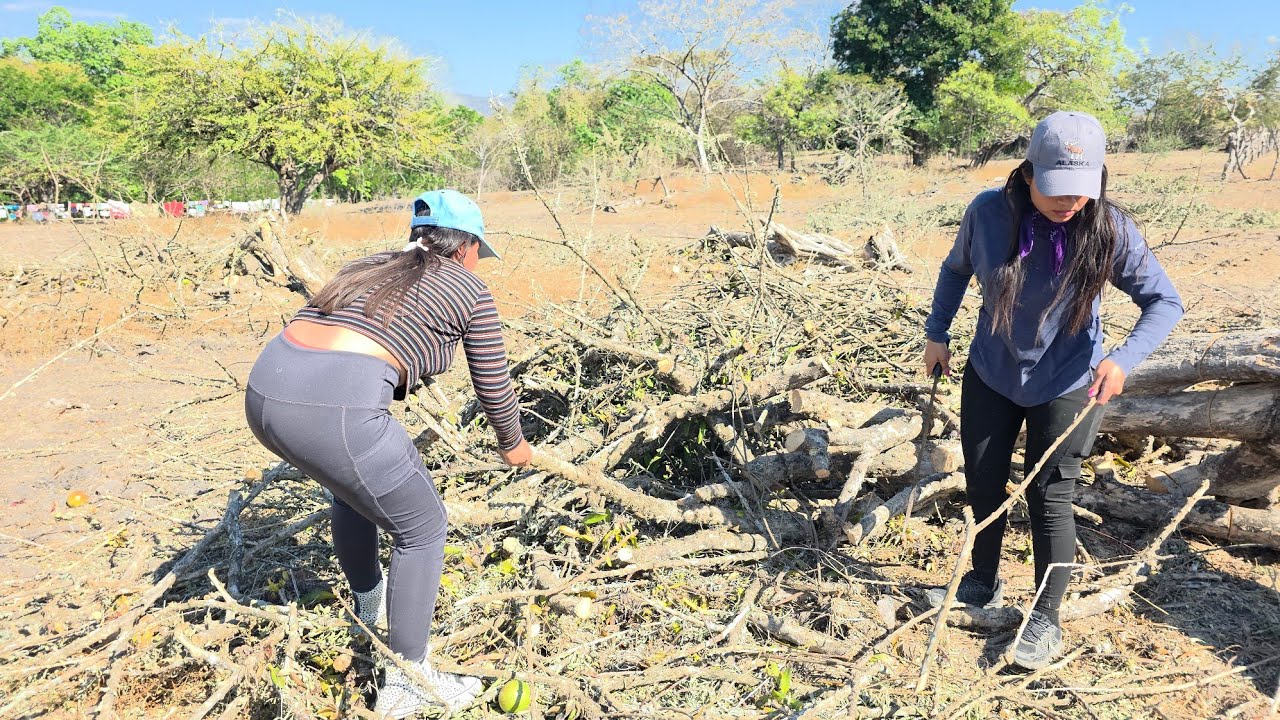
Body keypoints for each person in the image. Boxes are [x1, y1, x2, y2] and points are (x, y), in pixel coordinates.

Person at [244, 189, 532, 717]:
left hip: (265, 393)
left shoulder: (370, 266)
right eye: (477, 251)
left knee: (353, 490)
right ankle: (408, 682)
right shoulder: (470, 289)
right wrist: (513, 445)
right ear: (467, 246)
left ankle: (369, 605)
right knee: (422, 528)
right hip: (335, 411)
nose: (477, 262)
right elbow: (493, 382)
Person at [922, 112, 1183, 670]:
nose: (1069, 202)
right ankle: (983, 577)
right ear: (1028, 171)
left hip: (1069, 378)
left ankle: (1045, 618)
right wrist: (937, 333)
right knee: (984, 480)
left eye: (1081, 190)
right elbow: (954, 271)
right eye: (1056, 188)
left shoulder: (1109, 228)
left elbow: (1165, 302)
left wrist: (1123, 359)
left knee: (1050, 496)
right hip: (992, 370)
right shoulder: (987, 214)